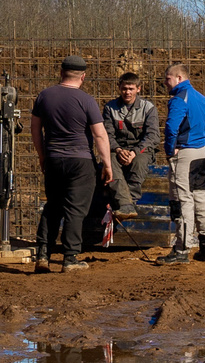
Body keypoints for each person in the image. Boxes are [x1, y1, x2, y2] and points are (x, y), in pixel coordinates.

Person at [29, 55, 112, 273]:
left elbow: (35, 129)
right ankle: (70, 258)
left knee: (53, 205)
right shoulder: (86, 101)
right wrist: (107, 164)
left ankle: (43, 255)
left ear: (61, 72)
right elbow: (100, 135)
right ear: (83, 76)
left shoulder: (44, 96)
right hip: (81, 161)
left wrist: (42, 155)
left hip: (54, 159)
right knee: (75, 210)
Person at [158, 62, 205, 264]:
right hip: (201, 152)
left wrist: (170, 150)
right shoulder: (202, 98)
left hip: (185, 153)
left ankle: (181, 250)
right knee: (201, 197)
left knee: (182, 200)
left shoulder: (179, 99)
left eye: (168, 79)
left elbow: (171, 128)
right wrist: (200, 141)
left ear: (179, 78)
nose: (165, 83)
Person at [101, 71, 156, 233]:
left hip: (141, 150)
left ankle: (128, 201)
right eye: (124, 88)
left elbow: (153, 136)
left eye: (131, 88)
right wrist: (118, 150)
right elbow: (106, 135)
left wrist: (134, 152)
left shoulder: (148, 108)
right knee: (108, 160)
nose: (127, 92)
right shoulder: (110, 108)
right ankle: (126, 204)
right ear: (119, 88)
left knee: (139, 162)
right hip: (118, 149)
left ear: (139, 89)